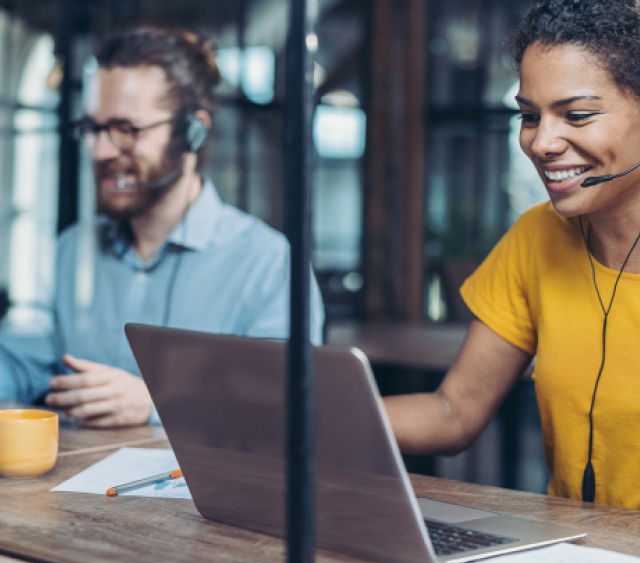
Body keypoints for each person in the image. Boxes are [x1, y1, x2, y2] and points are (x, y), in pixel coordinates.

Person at [384, 0, 640, 510]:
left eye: (578, 115)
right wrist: (296, 414)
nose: (541, 142)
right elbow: (453, 411)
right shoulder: (537, 236)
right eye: (528, 116)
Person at [0, 26, 324, 427]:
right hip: (70, 487)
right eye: (93, 129)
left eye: (126, 130)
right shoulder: (71, 251)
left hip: (206, 490)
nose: (101, 151)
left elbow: (285, 411)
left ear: (192, 131)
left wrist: (156, 405)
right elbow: (22, 363)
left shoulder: (268, 264)